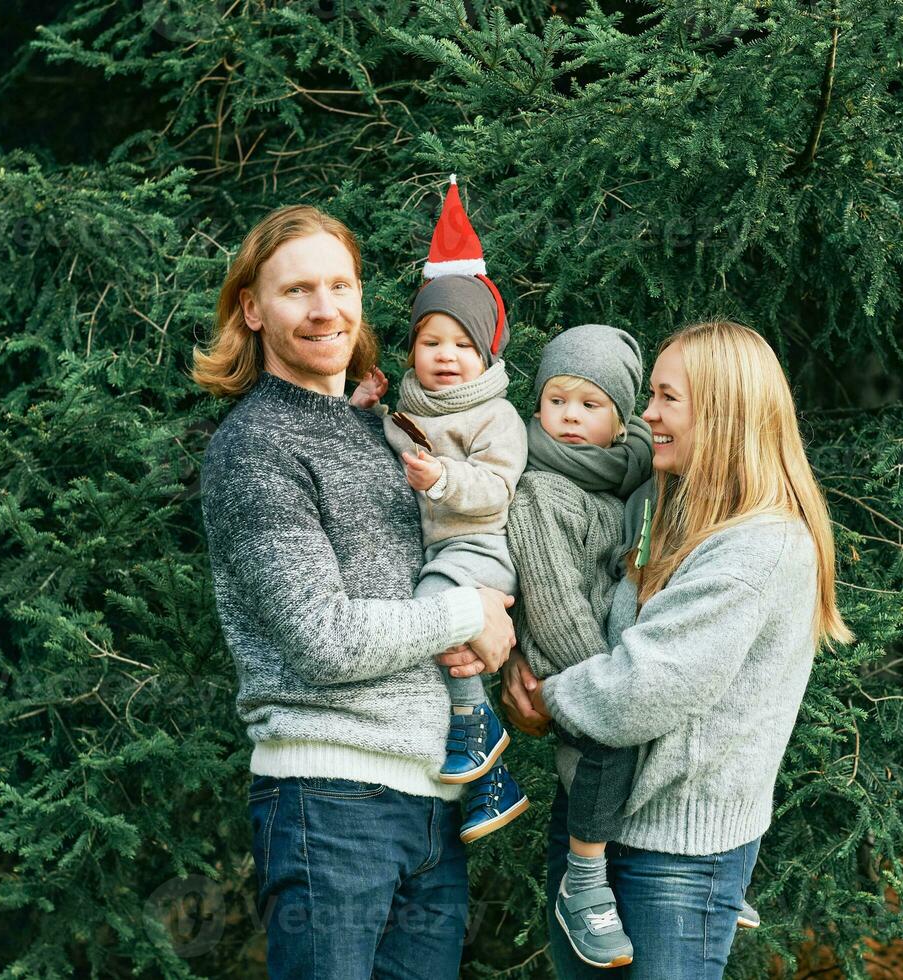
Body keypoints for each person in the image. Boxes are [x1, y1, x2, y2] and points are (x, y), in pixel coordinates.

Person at [192, 203, 516, 979]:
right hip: (327, 799)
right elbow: (324, 639)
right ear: (252, 309)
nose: (325, 308)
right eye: (298, 290)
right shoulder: (255, 450)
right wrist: (468, 612)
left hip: (434, 801)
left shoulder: (388, 431)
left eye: (341, 285)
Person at [499, 320, 855, 977]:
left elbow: (639, 691)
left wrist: (547, 695)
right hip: (604, 832)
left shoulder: (757, 545)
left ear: (721, 412)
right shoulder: (664, 509)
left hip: (674, 856)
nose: (649, 414)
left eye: (666, 398)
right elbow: (603, 633)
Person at [376, 176, 530, 843]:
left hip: (478, 551)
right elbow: (387, 444)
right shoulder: (409, 409)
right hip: (435, 551)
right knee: (440, 636)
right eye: (432, 341)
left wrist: (442, 478)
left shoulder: (496, 416)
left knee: (439, 604)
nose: (446, 356)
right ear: (411, 347)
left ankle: (478, 725)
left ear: (486, 352)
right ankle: (493, 786)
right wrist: (363, 409)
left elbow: (496, 487)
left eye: (463, 345)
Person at [505, 323, 653, 967]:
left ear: (620, 423)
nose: (569, 417)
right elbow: (555, 599)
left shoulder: (625, 484)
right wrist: (601, 679)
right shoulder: (541, 490)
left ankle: (698, 880)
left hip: (608, 665)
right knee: (602, 758)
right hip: (570, 663)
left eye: (590, 405)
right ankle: (585, 885)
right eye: (556, 401)